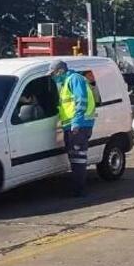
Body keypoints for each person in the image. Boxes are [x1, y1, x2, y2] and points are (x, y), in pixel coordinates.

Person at [49, 60, 96, 197]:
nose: (53, 77)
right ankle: (77, 187)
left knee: (78, 158)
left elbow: (81, 100)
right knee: (75, 158)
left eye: (53, 74)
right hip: (72, 125)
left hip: (78, 126)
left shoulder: (74, 79)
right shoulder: (66, 82)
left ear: (60, 71)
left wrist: (76, 122)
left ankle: (78, 190)